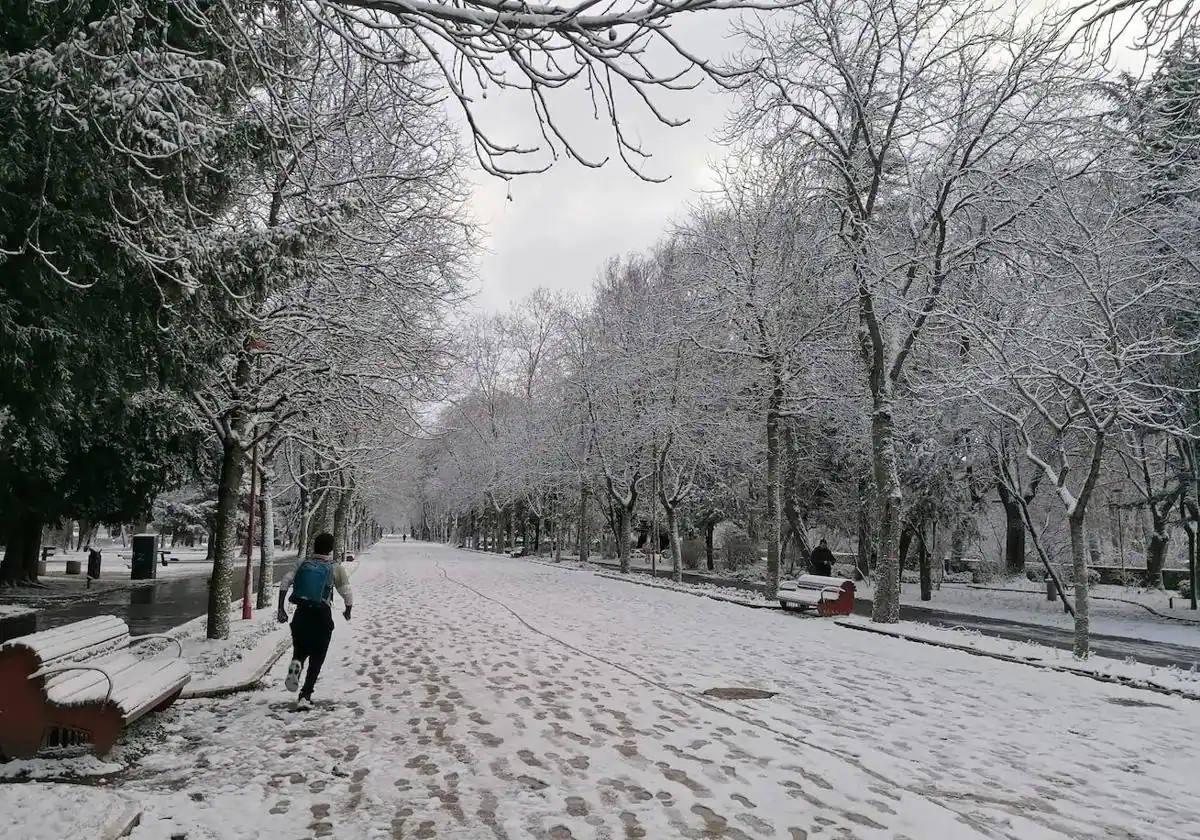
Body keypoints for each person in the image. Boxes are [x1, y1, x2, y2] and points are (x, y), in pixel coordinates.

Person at [277, 532, 353, 709]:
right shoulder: (335, 568)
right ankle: (305, 694)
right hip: (322, 616)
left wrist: (281, 608)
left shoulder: (302, 563)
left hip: (301, 614)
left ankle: (297, 662)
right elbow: (347, 592)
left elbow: (285, 582)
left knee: (300, 648)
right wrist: (348, 610)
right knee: (318, 656)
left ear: (314, 546)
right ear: (331, 549)